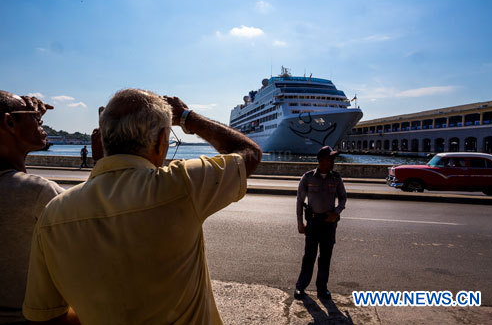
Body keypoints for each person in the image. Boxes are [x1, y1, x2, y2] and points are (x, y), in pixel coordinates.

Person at [23, 89, 262, 324]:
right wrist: (188, 117)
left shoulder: (53, 214)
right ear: (160, 142)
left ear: (102, 139)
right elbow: (249, 153)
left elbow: (46, 316)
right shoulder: (181, 186)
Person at [0, 91, 65, 324]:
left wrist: (27, 118)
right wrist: (104, 158)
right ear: (8, 122)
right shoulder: (37, 192)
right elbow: (94, 221)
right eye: (37, 119)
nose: (42, 122)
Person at [294, 146, 347, 301]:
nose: (332, 162)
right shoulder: (308, 177)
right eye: (330, 159)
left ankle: (322, 289)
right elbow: (299, 200)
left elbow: (343, 197)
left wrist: (337, 211)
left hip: (329, 224)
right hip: (313, 222)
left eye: (332, 159)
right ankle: (300, 287)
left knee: (325, 257)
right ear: (321, 160)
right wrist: (299, 222)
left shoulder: (336, 178)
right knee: (309, 256)